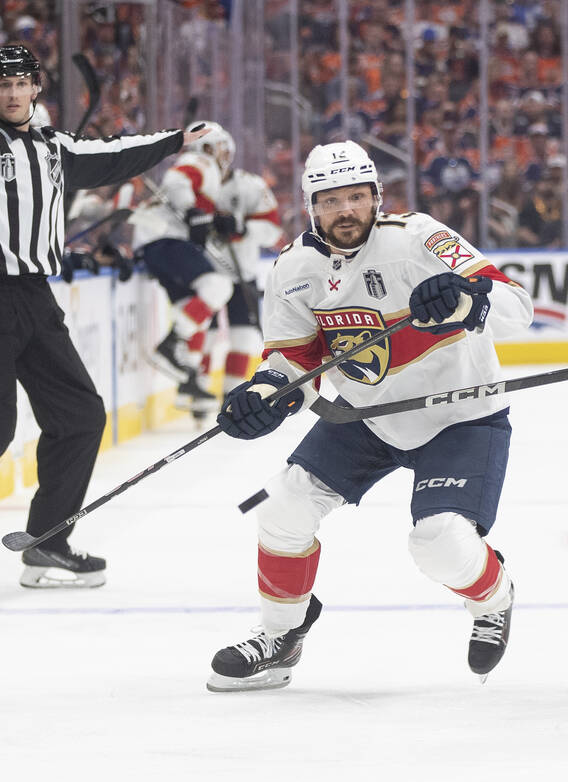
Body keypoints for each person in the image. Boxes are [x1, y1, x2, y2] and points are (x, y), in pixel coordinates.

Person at [206, 141, 533, 692]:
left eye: (357, 197)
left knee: (438, 543)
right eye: (332, 200)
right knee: (280, 505)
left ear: (377, 198)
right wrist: (267, 392)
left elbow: (515, 307)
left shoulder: (419, 237)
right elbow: (296, 359)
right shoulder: (293, 268)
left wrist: (462, 300)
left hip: (461, 415)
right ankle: (280, 637)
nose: (347, 210)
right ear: (311, 206)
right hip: (366, 415)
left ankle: (494, 597)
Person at [0, 44, 209, 587]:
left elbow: (114, 156)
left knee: (81, 415)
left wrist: (175, 140)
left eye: (21, 83)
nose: (12, 93)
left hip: (36, 297)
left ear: (36, 87)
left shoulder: (54, 147)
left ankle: (47, 543)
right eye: (1, 84)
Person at [130, 122, 237, 413]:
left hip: (156, 242)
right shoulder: (199, 161)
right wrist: (193, 211)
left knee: (193, 307)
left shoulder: (201, 169)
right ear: (209, 146)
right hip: (163, 239)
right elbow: (177, 182)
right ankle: (170, 346)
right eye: (221, 148)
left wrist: (212, 220)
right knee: (218, 287)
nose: (224, 156)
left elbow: (193, 214)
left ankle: (187, 374)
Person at [192, 139, 284, 409]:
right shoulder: (191, 188)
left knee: (243, 335)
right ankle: (198, 393)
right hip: (203, 274)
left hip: (240, 272)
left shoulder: (251, 186)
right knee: (203, 335)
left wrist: (243, 227)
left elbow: (273, 231)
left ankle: (231, 395)